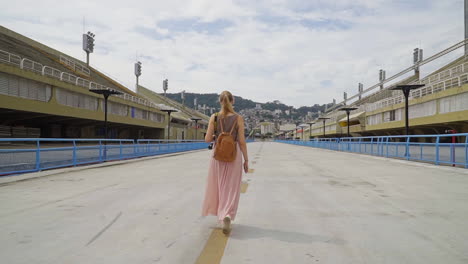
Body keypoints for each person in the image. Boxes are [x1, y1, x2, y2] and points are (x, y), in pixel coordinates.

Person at [202, 90, 249, 234]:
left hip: (218, 156)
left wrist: (218, 134)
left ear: (220, 102)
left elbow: (207, 139)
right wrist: (246, 160)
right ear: (232, 101)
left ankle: (222, 216)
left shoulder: (214, 117)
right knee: (231, 188)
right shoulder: (238, 118)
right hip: (234, 155)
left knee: (219, 186)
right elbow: (241, 142)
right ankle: (227, 214)